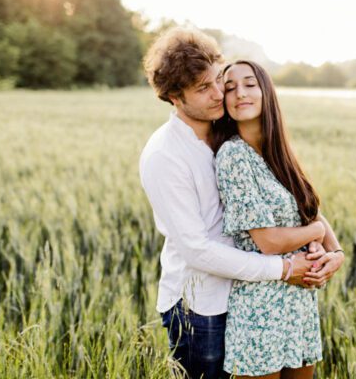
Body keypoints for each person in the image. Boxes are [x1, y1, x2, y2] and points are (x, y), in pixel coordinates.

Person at [139, 28, 342, 379]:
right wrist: (284, 269)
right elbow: (198, 250)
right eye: (204, 88)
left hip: (250, 294)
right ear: (174, 96)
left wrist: (331, 251)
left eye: (219, 80)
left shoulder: (230, 136)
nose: (220, 94)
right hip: (200, 307)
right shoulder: (166, 155)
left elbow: (294, 198)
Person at [212, 60, 345, 379]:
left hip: (300, 304)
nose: (239, 93)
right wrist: (314, 232)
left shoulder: (278, 152)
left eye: (249, 84)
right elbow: (268, 241)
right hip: (261, 310)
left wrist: (336, 254)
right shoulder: (233, 156)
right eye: (230, 87)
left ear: (266, 93)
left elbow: (309, 209)